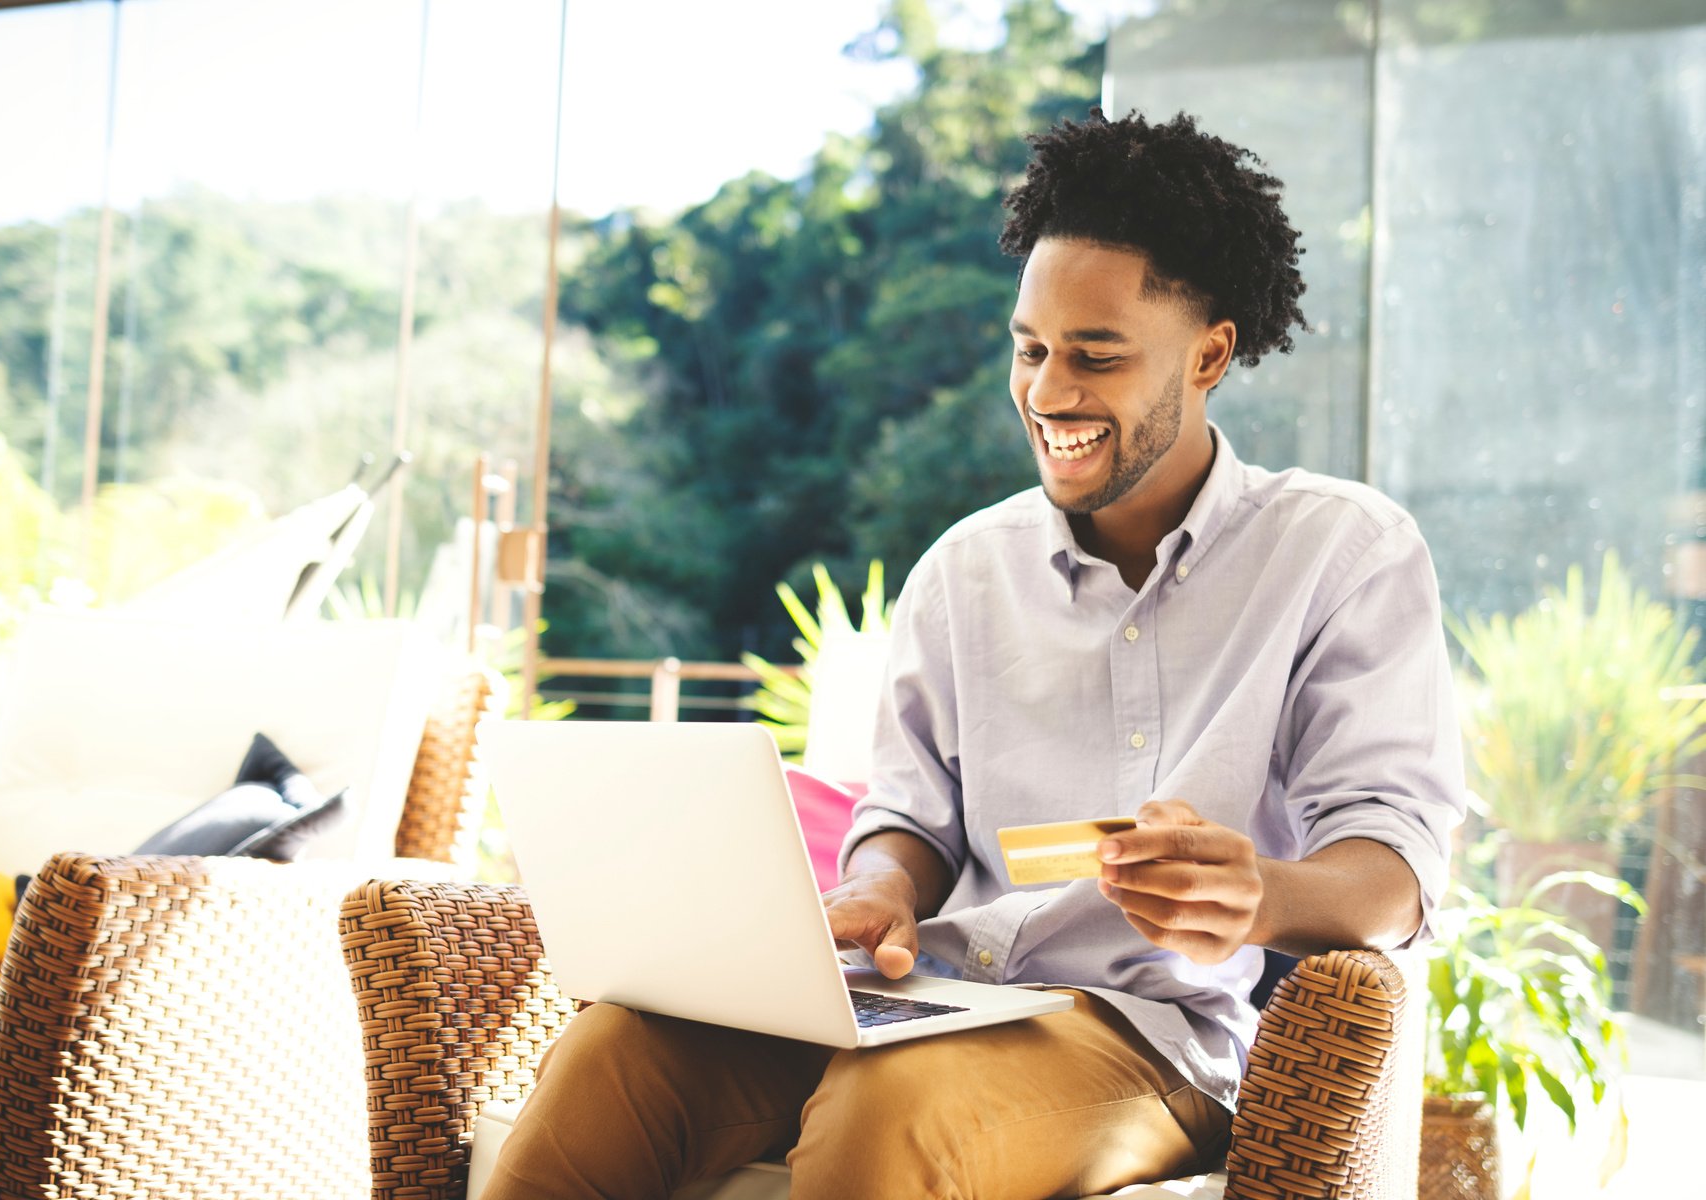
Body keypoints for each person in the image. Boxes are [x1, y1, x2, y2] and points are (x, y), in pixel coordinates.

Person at [483, 109, 1465, 1200]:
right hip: (931, 996)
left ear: (1211, 354)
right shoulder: (963, 569)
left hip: (1150, 1037)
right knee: (616, 1053)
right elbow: (910, 819)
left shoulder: (1341, 552)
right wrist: (877, 888)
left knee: (892, 1105)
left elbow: (1397, 866)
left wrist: (1261, 895)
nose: (1049, 393)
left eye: (1097, 356)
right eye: (1031, 350)